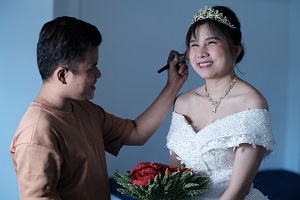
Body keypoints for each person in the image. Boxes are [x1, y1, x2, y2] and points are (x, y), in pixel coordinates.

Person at [10, 16, 188, 200]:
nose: (99, 74)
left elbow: (137, 132)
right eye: (91, 68)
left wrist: (173, 84)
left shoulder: (84, 110)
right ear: (63, 75)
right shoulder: (36, 134)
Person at [166, 5, 275, 200]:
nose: (201, 52)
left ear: (236, 50)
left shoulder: (252, 103)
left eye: (211, 42)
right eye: (194, 44)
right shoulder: (182, 102)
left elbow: (238, 190)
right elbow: (175, 174)